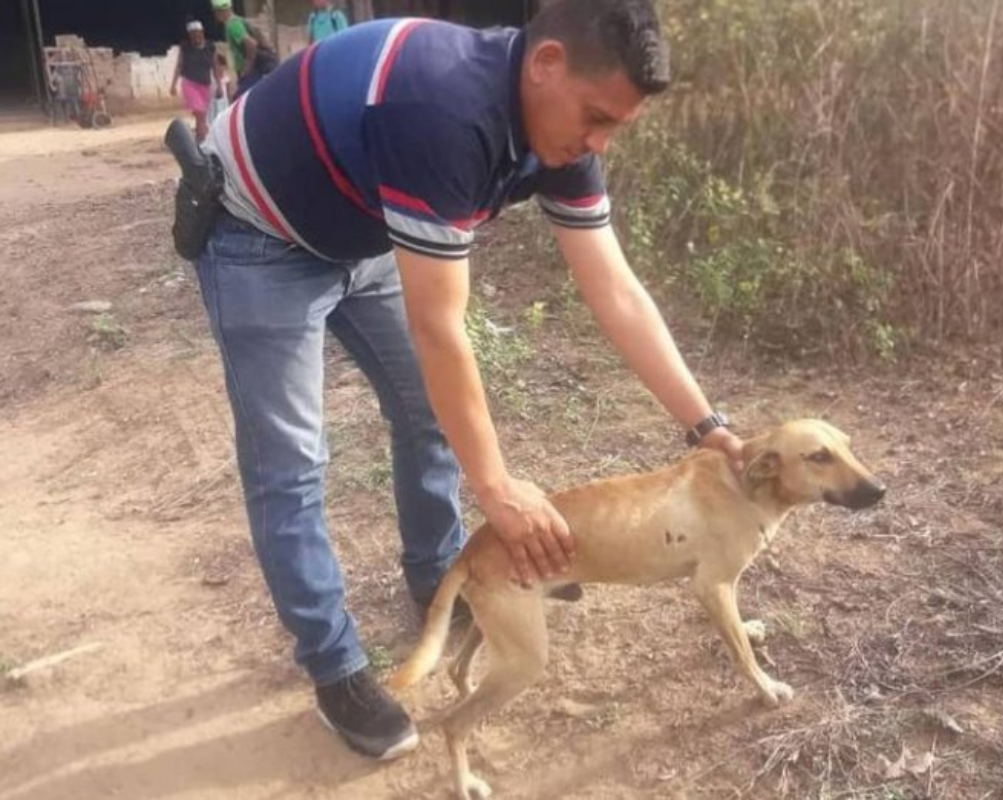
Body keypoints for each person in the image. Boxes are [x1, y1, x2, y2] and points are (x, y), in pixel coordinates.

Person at [194, 0, 743, 761]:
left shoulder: (561, 127)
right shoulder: (443, 108)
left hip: (360, 222)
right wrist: (498, 487)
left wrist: (705, 425)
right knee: (290, 464)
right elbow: (440, 328)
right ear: (546, 62)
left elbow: (614, 289)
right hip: (258, 229)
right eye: (595, 117)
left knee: (427, 416)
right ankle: (335, 666)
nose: (599, 142)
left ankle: (438, 580)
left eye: (616, 125)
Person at [210, 0, 276, 96]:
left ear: (219, 11)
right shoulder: (238, 20)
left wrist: (247, 67)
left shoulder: (232, 25)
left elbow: (251, 44)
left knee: (242, 102)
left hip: (251, 72)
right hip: (254, 70)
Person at [170, 20, 220, 143]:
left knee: (201, 117)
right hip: (190, 84)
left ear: (202, 33)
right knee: (200, 113)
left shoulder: (210, 47)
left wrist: (219, 84)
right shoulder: (186, 47)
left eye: (198, 33)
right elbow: (179, 65)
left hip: (205, 86)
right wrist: (173, 84)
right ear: (189, 36)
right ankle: (204, 141)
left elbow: (215, 66)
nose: (196, 36)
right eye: (192, 34)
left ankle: (199, 140)